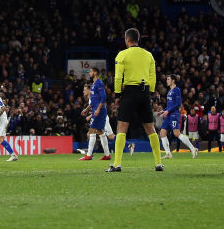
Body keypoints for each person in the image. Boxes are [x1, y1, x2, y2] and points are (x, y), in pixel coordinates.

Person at [107, 27, 162, 172]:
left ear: (127, 39)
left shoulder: (122, 55)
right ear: (138, 39)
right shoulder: (148, 55)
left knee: (122, 128)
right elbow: (153, 77)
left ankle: (117, 164)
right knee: (150, 128)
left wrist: (118, 95)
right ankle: (158, 163)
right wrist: (149, 93)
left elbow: (118, 77)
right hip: (144, 92)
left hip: (129, 92)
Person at [158, 75, 197, 159]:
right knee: (162, 133)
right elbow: (170, 105)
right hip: (168, 115)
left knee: (176, 133)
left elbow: (178, 104)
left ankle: (193, 148)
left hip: (174, 115)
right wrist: (163, 110)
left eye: (168, 79)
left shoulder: (177, 90)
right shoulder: (169, 91)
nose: (167, 81)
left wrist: (168, 111)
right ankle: (168, 153)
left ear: (173, 80)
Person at [79, 74, 113, 161]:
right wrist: (87, 110)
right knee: (99, 133)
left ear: (90, 90)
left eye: (85, 90)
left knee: (109, 136)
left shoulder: (94, 96)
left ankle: (89, 155)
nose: (83, 92)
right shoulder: (92, 97)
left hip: (102, 116)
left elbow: (99, 106)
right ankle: (106, 154)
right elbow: (93, 105)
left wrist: (90, 116)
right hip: (98, 116)